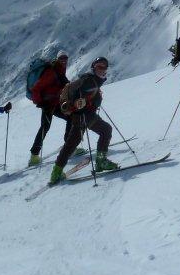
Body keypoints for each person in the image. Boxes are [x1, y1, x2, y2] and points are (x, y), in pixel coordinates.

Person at [49, 56, 118, 184]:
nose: (102, 69)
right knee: (105, 130)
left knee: (72, 143)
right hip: (84, 115)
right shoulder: (89, 81)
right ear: (94, 67)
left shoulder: (92, 80)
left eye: (104, 67)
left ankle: (56, 171)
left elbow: (82, 96)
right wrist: (78, 103)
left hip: (81, 116)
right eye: (99, 66)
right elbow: (79, 96)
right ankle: (101, 162)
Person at [27, 51, 71, 166]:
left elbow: (62, 84)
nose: (64, 61)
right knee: (45, 127)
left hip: (56, 103)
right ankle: (34, 156)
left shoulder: (60, 70)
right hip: (47, 104)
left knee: (71, 117)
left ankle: (69, 146)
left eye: (65, 58)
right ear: (57, 59)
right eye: (61, 58)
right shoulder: (51, 72)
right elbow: (36, 89)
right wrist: (40, 102)